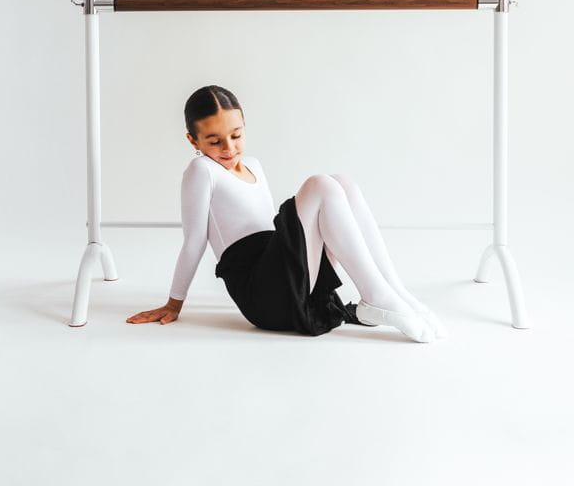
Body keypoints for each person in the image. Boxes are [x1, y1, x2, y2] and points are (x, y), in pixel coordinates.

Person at [126, 85, 447, 342]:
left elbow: (274, 230)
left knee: (342, 183)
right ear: (192, 140)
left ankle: (395, 291)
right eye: (214, 141)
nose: (229, 148)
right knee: (320, 185)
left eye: (236, 135)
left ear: (244, 126)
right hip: (261, 295)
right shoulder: (201, 170)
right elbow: (194, 241)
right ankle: (375, 296)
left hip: (283, 272)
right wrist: (174, 303)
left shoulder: (254, 165)